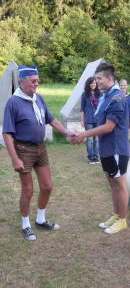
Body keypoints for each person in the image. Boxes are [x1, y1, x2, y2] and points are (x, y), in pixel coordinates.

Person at [2, 65, 73, 241]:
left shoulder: (38, 98)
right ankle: (25, 225)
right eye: (33, 81)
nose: (37, 84)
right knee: (27, 190)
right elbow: (7, 134)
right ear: (22, 81)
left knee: (47, 186)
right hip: (23, 150)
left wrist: (67, 132)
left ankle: (40, 220)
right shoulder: (13, 102)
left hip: (41, 148)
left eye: (38, 81)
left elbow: (52, 119)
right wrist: (15, 158)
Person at [72, 62, 130, 235]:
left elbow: (108, 127)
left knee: (119, 184)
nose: (96, 82)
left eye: (99, 78)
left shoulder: (117, 98)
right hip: (106, 149)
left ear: (110, 78)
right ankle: (116, 214)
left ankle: (123, 220)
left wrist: (84, 134)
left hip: (116, 149)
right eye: (95, 79)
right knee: (112, 183)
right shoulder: (106, 96)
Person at [80, 77, 100, 164]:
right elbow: (82, 108)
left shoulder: (99, 94)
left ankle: (96, 156)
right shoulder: (84, 94)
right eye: (92, 83)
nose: (93, 84)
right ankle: (90, 157)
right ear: (89, 84)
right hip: (88, 119)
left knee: (97, 139)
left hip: (97, 119)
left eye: (95, 83)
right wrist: (81, 119)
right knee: (90, 139)